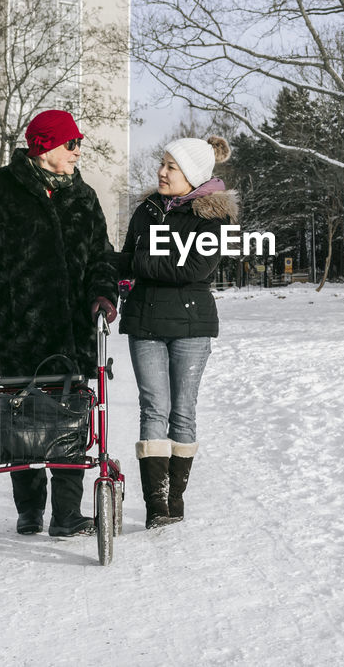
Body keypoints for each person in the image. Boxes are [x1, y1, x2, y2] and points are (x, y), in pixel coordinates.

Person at [0, 109, 119, 537]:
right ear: (44, 147)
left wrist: (103, 295)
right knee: (18, 417)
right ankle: (29, 511)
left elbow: (101, 256)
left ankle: (66, 516)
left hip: (72, 331)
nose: (78, 151)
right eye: (71, 144)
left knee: (72, 416)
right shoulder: (0, 190)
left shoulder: (84, 197)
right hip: (16, 327)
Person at [117, 135, 236, 528]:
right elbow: (128, 257)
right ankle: (157, 506)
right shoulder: (146, 210)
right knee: (153, 408)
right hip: (145, 323)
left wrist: (139, 263)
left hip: (191, 325)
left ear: (193, 175)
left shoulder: (213, 216)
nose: (161, 172)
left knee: (182, 412)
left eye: (171, 166)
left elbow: (193, 270)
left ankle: (176, 500)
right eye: (162, 163)